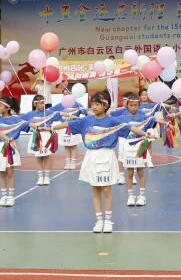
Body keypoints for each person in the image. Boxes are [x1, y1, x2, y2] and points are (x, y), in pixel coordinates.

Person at [56, 90, 150, 233]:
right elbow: (68, 124)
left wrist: (145, 134)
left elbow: (130, 128)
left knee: (106, 190)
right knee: (95, 189)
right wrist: (49, 128)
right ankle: (99, 220)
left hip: (107, 156)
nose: (93, 106)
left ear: (105, 105)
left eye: (97, 104)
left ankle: (108, 221)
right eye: (92, 104)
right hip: (91, 157)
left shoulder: (112, 121)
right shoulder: (86, 120)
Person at [114, 94, 157, 206]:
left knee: (140, 172)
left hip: (140, 147)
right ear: (127, 105)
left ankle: (142, 196)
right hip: (128, 148)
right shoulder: (122, 118)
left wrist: (167, 123)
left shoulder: (143, 117)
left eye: (135, 105)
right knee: (129, 173)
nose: (133, 107)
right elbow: (109, 119)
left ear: (139, 105)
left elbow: (155, 120)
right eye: (131, 105)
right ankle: (130, 196)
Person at [0, 97, 28, 207]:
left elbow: (28, 124)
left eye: (0, 105)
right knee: (2, 172)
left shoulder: (15, 119)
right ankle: (4, 195)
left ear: (7, 107)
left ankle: (11, 196)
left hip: (10, 147)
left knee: (10, 172)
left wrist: (41, 127)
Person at [23, 94, 61, 185]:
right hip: (36, 136)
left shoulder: (48, 113)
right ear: (35, 104)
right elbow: (19, 120)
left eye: (44, 103)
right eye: (40, 103)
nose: (43, 105)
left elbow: (60, 114)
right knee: (38, 157)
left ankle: (47, 177)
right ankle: (40, 177)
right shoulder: (29, 114)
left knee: (46, 157)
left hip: (47, 136)